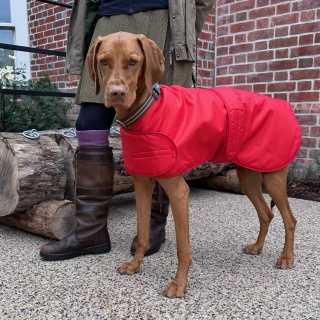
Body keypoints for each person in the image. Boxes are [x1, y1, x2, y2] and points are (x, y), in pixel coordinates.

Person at [40, 0, 214, 260]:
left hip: (163, 18)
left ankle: (155, 226)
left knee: (161, 130)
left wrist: (186, 29)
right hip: (110, 16)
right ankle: (91, 231)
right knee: (89, 123)